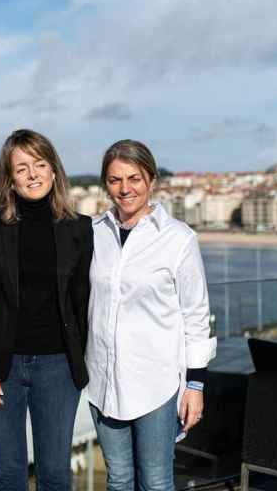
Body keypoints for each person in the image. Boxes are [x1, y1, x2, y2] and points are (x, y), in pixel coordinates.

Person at [0, 129, 93, 491]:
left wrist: (81, 363)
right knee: (9, 476)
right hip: (1, 369)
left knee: (55, 475)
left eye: (40, 164)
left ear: (54, 170)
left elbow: (86, 301)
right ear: (10, 178)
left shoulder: (81, 229)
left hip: (58, 367)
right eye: (22, 168)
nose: (33, 175)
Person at [86, 139, 216, 491]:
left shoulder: (178, 239)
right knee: (118, 479)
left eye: (134, 178)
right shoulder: (93, 233)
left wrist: (195, 385)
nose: (124, 188)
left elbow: (196, 316)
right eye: (115, 180)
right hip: (102, 381)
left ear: (151, 180)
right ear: (105, 184)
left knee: (156, 482)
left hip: (156, 383)